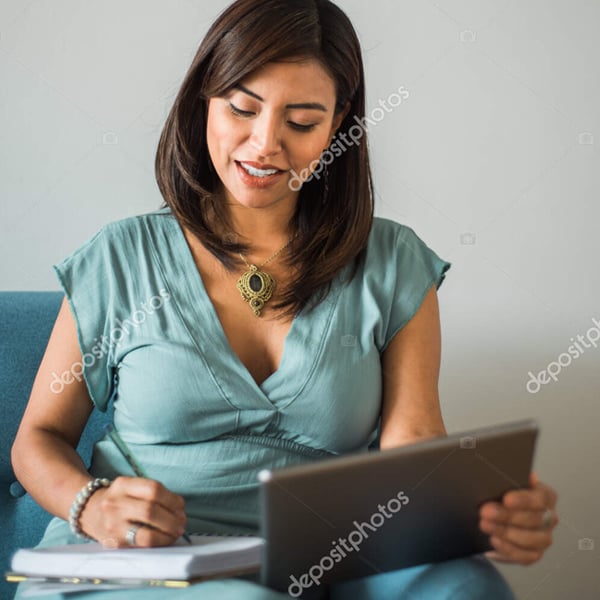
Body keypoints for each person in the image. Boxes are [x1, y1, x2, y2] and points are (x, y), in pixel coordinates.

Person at [11, 0, 558, 598]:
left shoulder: (394, 263)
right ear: (204, 101)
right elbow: (38, 437)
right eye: (242, 108)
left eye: (301, 122)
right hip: (145, 560)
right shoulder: (120, 259)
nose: (265, 143)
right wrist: (89, 504)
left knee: (465, 587)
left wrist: (482, 512)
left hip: (328, 557)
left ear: (338, 123)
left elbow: (412, 451)